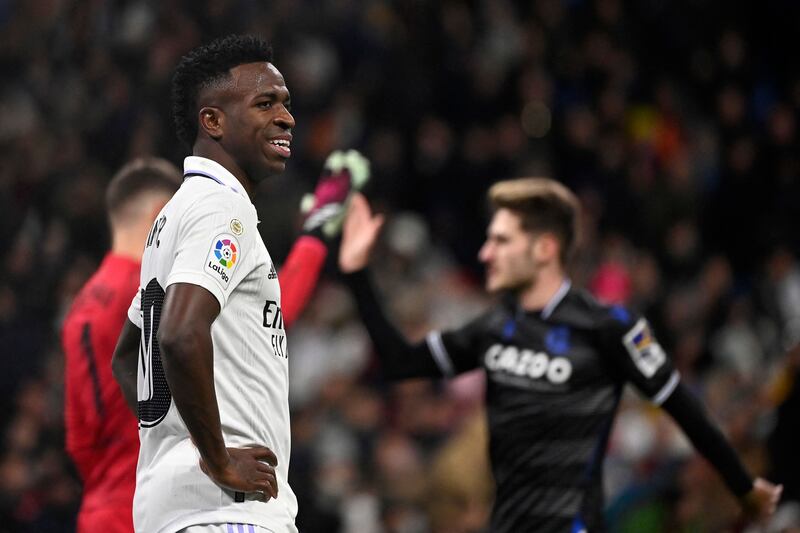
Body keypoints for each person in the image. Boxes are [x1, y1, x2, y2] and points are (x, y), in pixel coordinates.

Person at [338, 178, 783, 532]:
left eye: (501, 241)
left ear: (545, 249)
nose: (485, 253)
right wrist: (356, 273)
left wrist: (743, 486)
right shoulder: (495, 329)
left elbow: (682, 407)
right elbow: (401, 362)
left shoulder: (610, 328)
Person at [111, 35, 367, 533]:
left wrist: (175, 437)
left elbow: (128, 356)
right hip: (226, 511)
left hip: (176, 510)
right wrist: (218, 459)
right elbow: (180, 334)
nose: (286, 118)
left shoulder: (175, 216)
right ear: (213, 121)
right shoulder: (218, 209)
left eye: (286, 104)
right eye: (265, 103)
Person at [63, 157, 182, 533]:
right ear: (161, 216)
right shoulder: (152, 290)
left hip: (100, 509)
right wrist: (314, 241)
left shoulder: (80, 305)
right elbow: (266, 319)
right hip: (153, 508)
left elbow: (79, 440)